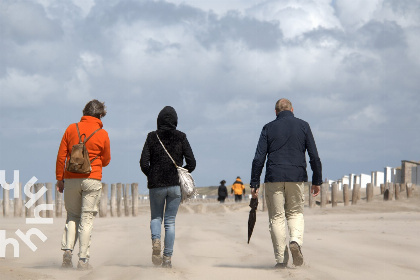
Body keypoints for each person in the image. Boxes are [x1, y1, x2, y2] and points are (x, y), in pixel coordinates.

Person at [250, 98, 322, 269]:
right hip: (296, 175)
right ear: (292, 109)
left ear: (275, 112)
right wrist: (317, 180)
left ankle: (281, 259)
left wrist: (254, 183)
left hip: (274, 176)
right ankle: (295, 241)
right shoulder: (303, 125)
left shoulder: (268, 127)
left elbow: (259, 158)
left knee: (277, 217)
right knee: (296, 213)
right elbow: (314, 155)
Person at [56, 99, 111, 270]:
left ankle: (67, 251)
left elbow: (61, 156)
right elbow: (107, 160)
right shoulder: (103, 134)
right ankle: (83, 260)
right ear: (100, 115)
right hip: (92, 178)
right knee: (86, 219)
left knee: (72, 216)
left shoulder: (71, 129)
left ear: (84, 112)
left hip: (71, 179)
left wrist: (60, 178)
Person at [140, 106, 196, 268]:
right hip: (174, 185)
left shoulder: (152, 137)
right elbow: (192, 162)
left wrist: (152, 175)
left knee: (156, 217)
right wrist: (182, 172)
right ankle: (167, 259)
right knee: (170, 222)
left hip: (156, 184)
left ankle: (156, 240)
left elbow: (143, 162)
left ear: (158, 120)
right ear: (175, 121)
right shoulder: (181, 137)